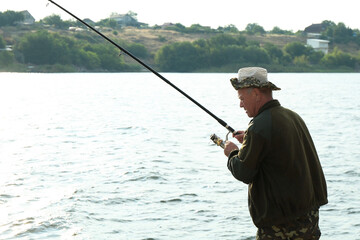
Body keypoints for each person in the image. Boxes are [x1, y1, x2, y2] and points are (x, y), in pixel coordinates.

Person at [224, 67, 328, 240]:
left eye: (242, 98)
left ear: (256, 94)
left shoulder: (259, 126)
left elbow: (244, 172)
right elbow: (277, 150)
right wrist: (249, 141)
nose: (240, 104)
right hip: (309, 218)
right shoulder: (292, 117)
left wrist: (232, 153)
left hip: (281, 225)